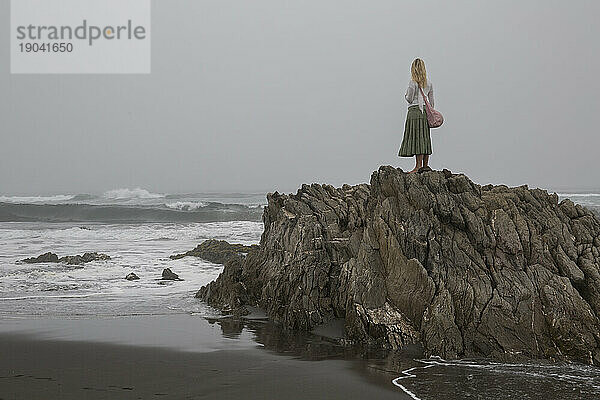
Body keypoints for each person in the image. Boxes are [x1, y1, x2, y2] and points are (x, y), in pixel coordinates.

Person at [398, 58, 435, 173]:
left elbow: (409, 98)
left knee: (417, 137)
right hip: (425, 112)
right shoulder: (428, 83)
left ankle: (418, 166)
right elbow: (431, 101)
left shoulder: (412, 82)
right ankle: (425, 165)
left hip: (414, 111)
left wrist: (405, 95)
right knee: (424, 137)